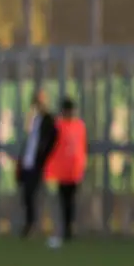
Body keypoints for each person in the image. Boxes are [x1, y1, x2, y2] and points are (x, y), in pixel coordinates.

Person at [15, 91, 58, 240]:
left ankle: (35, 225)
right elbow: (28, 141)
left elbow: (53, 139)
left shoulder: (48, 120)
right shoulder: (32, 119)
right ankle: (30, 224)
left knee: (34, 194)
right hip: (28, 161)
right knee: (26, 195)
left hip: (37, 163)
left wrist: (44, 155)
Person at [45, 97, 87, 246]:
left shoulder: (76, 126)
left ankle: (68, 229)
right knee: (64, 201)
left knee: (69, 201)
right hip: (62, 171)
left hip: (73, 170)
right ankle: (65, 229)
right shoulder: (60, 126)